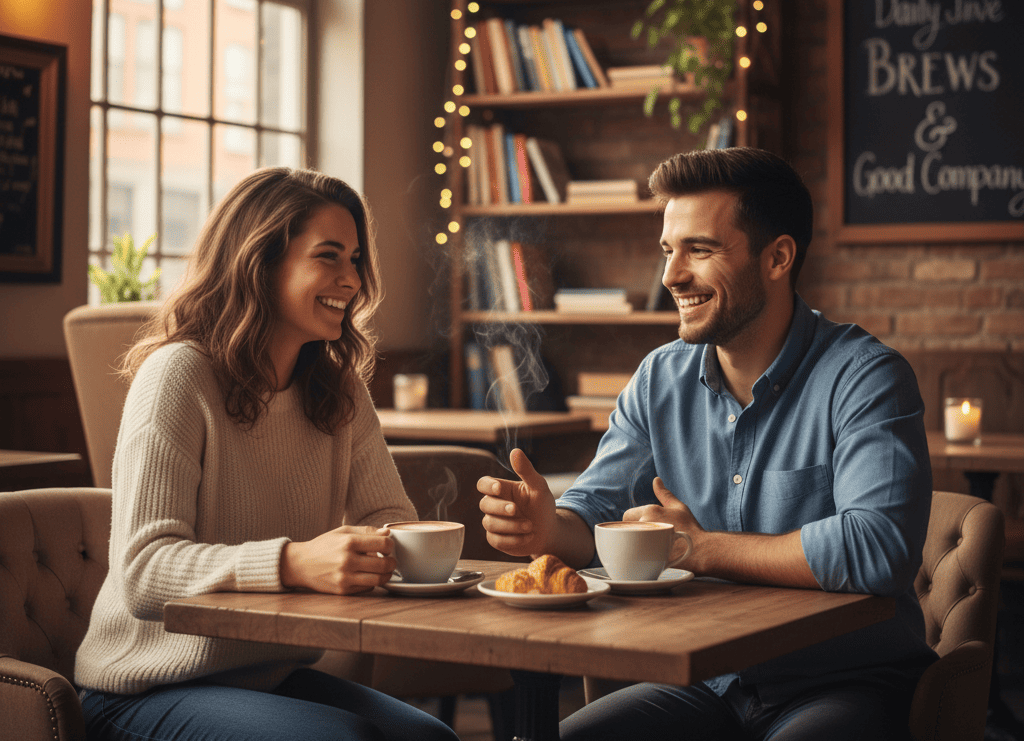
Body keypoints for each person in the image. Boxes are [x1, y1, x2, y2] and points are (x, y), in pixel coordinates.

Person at [479, 148, 936, 740]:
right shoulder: (658, 379)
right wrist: (549, 529)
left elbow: (878, 548)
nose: (670, 276)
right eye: (668, 250)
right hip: (703, 683)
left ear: (777, 258)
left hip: (845, 682)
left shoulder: (866, 377)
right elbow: (590, 518)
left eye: (700, 249)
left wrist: (704, 549)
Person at [75, 168, 459, 741]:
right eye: (329, 257)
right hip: (141, 689)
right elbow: (143, 572)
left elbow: (387, 516)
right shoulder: (177, 377)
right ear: (260, 263)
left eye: (355, 259)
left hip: (264, 677)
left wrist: (400, 547)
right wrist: (294, 562)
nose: (351, 280)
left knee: (432, 739)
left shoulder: (339, 388)